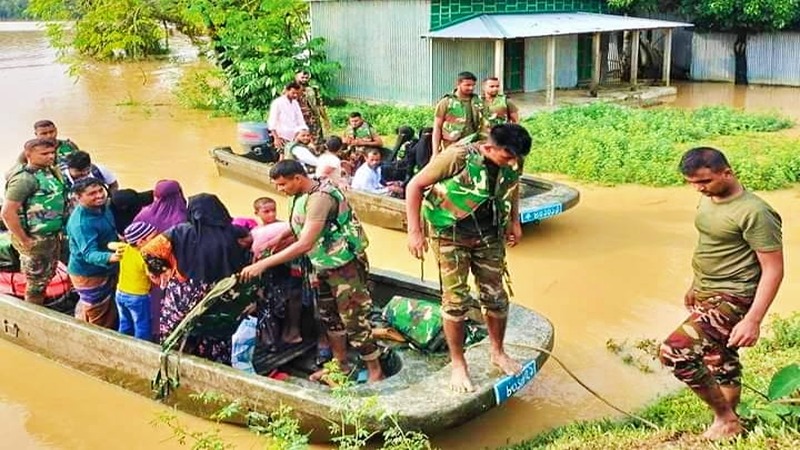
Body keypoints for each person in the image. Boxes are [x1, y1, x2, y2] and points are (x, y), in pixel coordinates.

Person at [658, 147, 784, 441]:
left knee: (674, 351)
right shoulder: (709, 200)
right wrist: (695, 284)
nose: (699, 188)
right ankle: (730, 426)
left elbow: (774, 269)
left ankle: (725, 419)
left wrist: (753, 320)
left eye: (705, 181)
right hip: (707, 291)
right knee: (720, 360)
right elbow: (711, 247)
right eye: (692, 183)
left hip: (734, 297)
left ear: (727, 172)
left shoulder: (756, 212)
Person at [405, 123, 532, 393]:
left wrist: (514, 221)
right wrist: (415, 232)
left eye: (516, 159)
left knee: (496, 297)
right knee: (455, 301)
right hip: (450, 234)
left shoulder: (512, 161)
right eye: (507, 157)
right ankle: (458, 363)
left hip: (489, 235)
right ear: (489, 148)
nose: (513, 163)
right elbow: (414, 186)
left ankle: (497, 352)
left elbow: (512, 187)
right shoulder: (457, 156)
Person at [240, 160, 384, 383]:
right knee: (329, 317)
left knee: (354, 320)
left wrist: (263, 264)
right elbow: (300, 223)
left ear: (297, 178)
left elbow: (305, 242)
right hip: (321, 264)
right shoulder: (301, 195)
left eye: (282, 184)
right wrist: (279, 237)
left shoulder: (321, 198)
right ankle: (340, 366)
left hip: (344, 266)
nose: (280, 189)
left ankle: (375, 371)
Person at [140, 194, 249, 364]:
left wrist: (162, 271)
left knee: (178, 329)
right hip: (220, 290)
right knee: (215, 333)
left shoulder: (179, 231)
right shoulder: (233, 231)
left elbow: (148, 250)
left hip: (185, 290)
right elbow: (249, 242)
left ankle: (174, 362)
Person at [1, 138, 68, 304]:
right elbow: (8, 213)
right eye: (44, 154)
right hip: (34, 239)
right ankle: (33, 314)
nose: (50, 156)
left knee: (47, 275)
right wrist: (24, 240)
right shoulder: (24, 179)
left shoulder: (50, 172)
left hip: (51, 235)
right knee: (36, 282)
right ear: (28, 155)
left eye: (52, 153)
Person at [66, 178, 121, 329]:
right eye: (92, 194)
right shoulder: (81, 223)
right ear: (78, 197)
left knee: (108, 306)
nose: (99, 196)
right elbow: (89, 254)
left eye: (100, 191)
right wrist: (113, 257)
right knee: (99, 312)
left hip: (106, 268)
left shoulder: (103, 208)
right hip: (88, 273)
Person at [116, 221, 158, 340]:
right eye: (153, 237)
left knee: (125, 323)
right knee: (142, 326)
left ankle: (120, 343)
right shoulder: (144, 257)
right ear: (141, 242)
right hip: (137, 297)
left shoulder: (125, 248)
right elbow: (153, 278)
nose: (156, 239)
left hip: (120, 292)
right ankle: (141, 350)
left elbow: (111, 245)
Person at [432, 71, 484, 156]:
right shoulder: (446, 102)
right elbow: (437, 127)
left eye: (473, 85)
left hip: (473, 146)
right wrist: (435, 152)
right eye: (467, 85)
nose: (471, 88)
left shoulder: (478, 101)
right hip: (451, 147)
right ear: (458, 84)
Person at [267, 82, 307, 150]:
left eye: (297, 93)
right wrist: (276, 138)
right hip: (282, 136)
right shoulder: (277, 103)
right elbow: (272, 122)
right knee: (283, 157)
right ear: (287, 91)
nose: (295, 95)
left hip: (295, 136)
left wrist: (304, 131)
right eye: (293, 93)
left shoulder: (295, 103)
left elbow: (300, 120)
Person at [295, 70, 329, 145]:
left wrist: (325, 118)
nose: (304, 79)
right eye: (302, 77)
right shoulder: (291, 90)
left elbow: (319, 105)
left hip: (313, 120)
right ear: (296, 77)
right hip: (298, 121)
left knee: (317, 142)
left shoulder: (313, 89)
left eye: (306, 78)